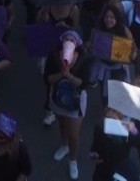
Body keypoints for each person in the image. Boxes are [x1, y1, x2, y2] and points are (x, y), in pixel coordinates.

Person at [45, 29, 90, 180]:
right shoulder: (53, 57)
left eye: (72, 40)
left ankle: (73, 160)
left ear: (77, 44)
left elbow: (84, 84)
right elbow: (48, 79)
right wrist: (61, 73)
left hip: (76, 101)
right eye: (66, 39)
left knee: (74, 135)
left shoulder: (83, 59)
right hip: (59, 99)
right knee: (62, 124)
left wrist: (69, 75)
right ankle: (64, 146)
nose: (69, 42)